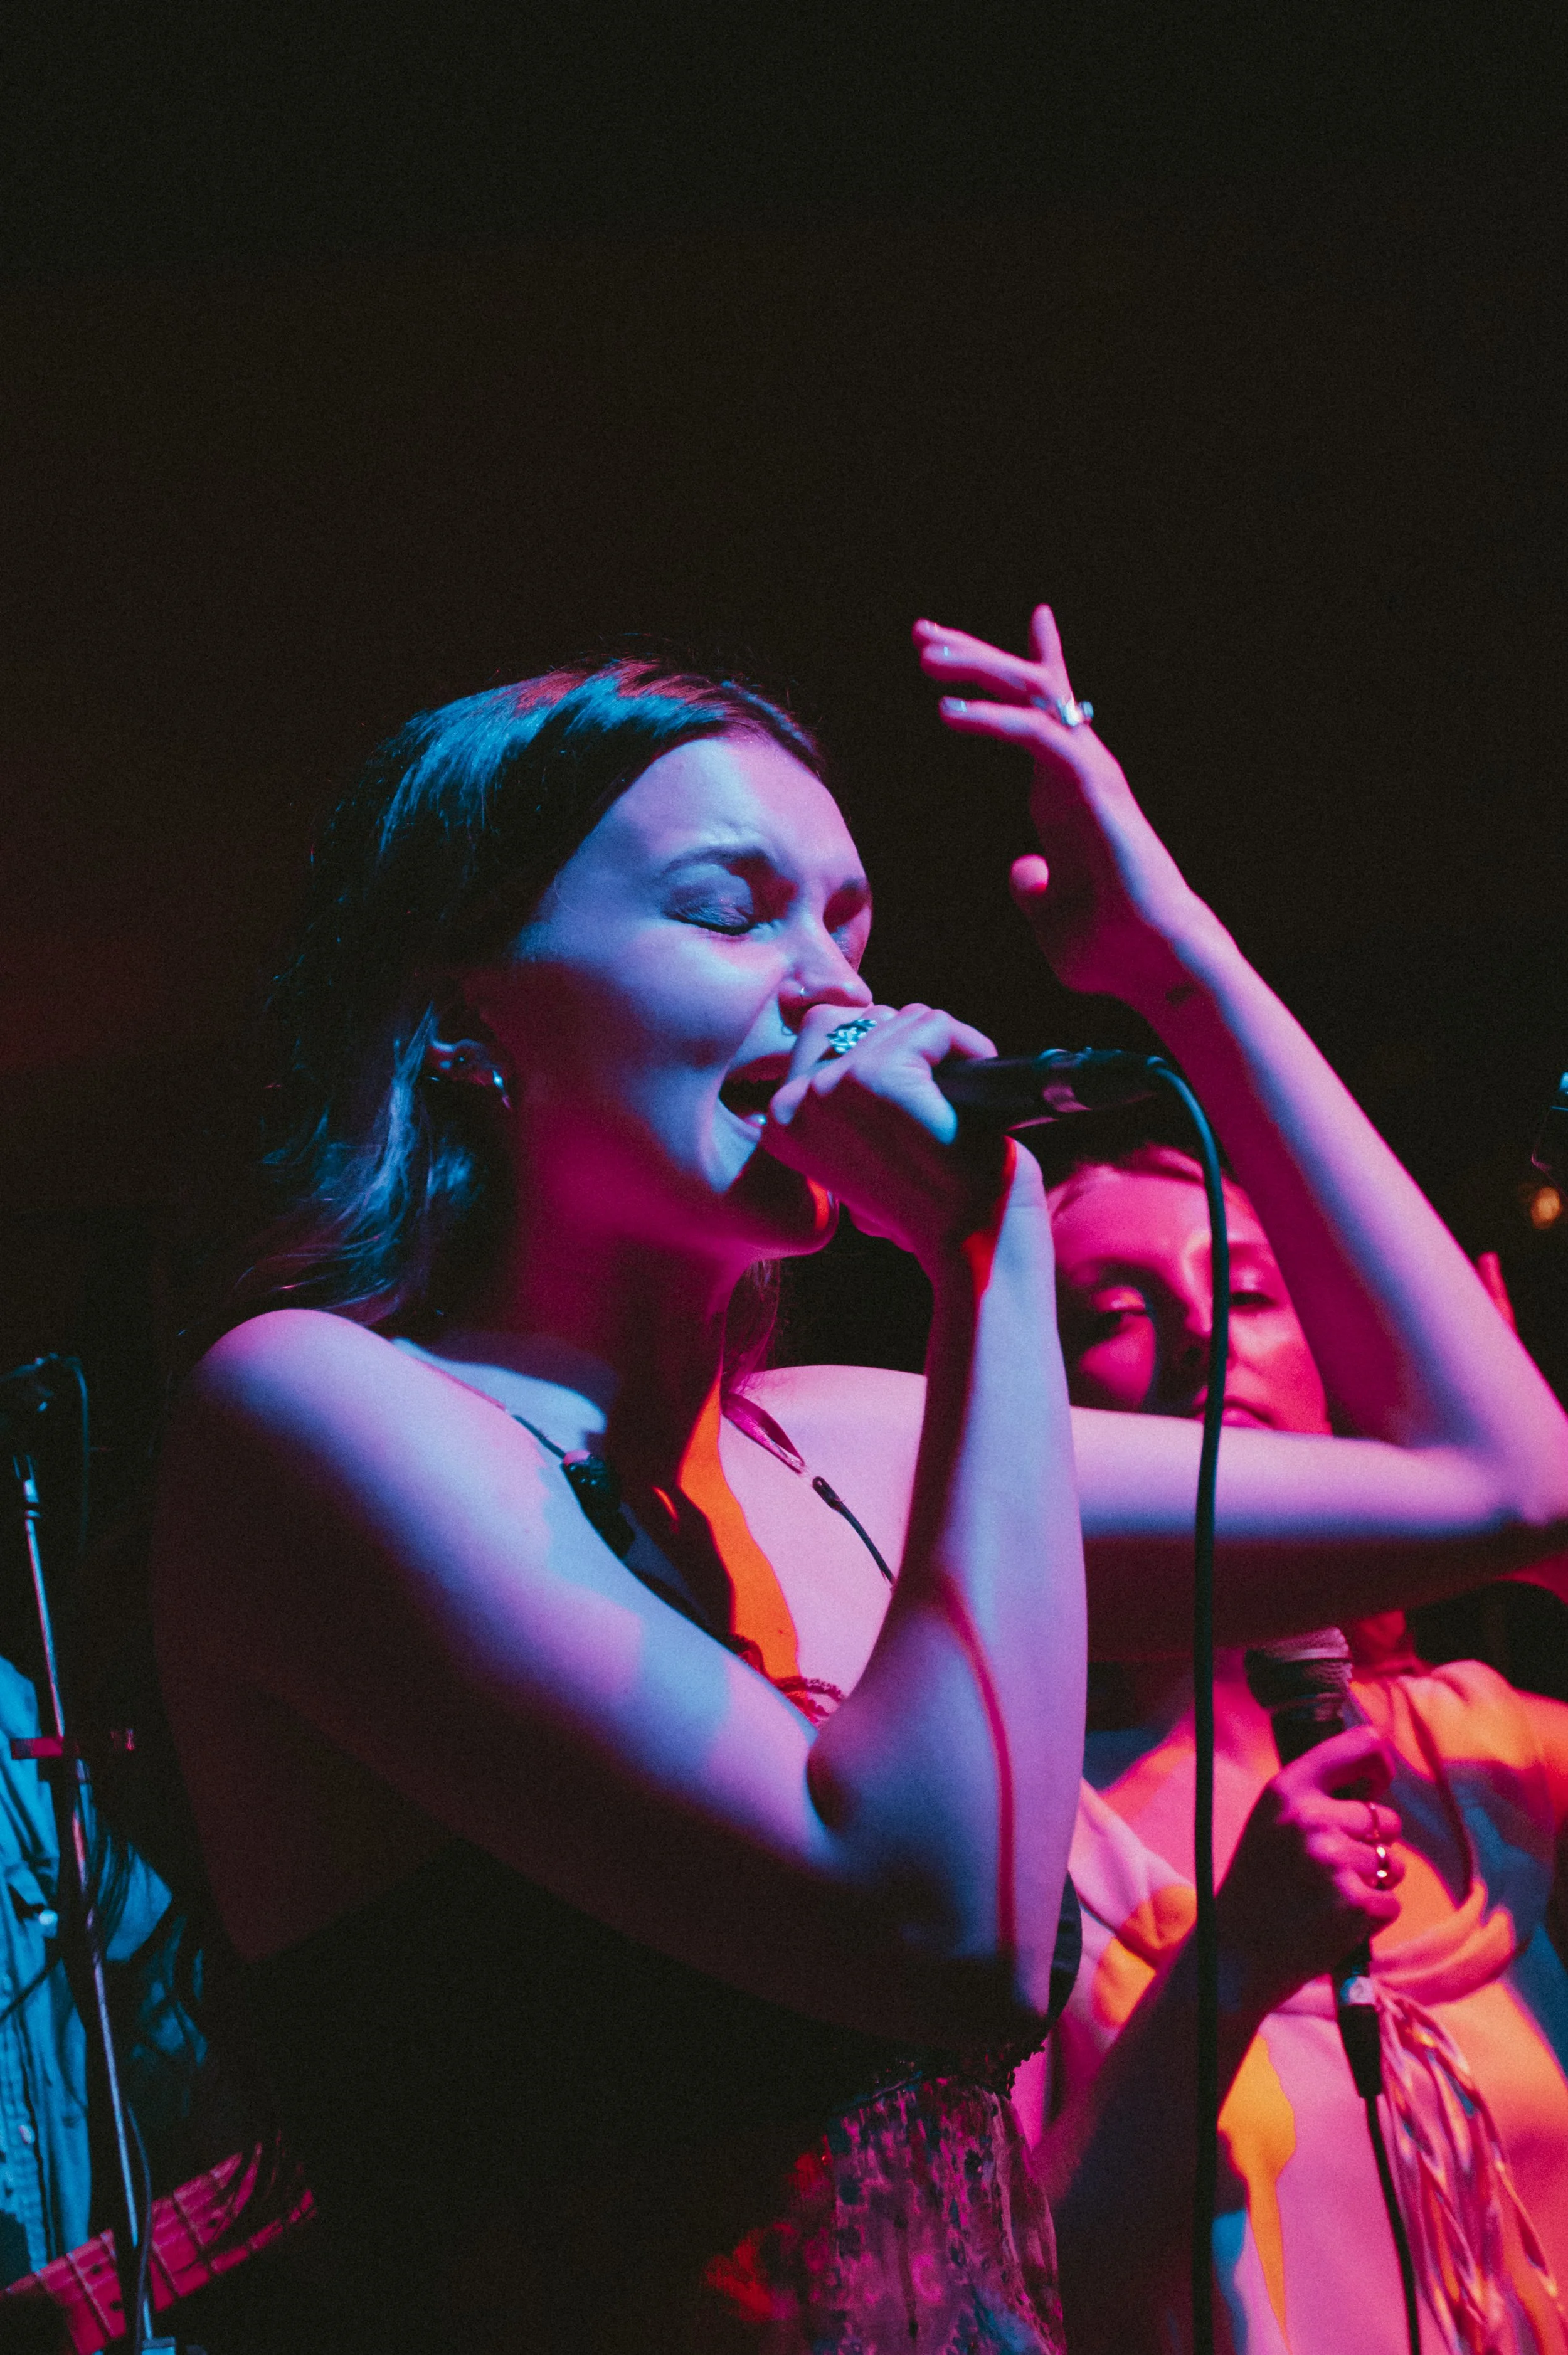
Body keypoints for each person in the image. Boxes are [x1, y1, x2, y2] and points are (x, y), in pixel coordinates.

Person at [147, 608, 1568, 2354]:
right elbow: (933, 1928)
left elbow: (1497, 1478)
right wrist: (986, 1260)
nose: (835, 985)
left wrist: (1172, 965)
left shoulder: (841, 1444)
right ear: (463, 1018)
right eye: (729, 912)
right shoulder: (315, 1415)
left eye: (852, 924)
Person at [1023, 1126, 1568, 2355]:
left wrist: (1528, 1506)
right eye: (1114, 1308)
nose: (1208, 1334)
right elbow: (1006, 2291)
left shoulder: (1475, 1753)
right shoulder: (1024, 1823)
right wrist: (1229, 1965)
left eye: (1251, 1292)